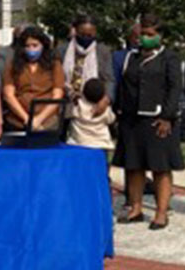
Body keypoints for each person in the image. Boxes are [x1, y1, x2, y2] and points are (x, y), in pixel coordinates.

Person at [113, 13, 183, 230]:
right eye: (142, 34)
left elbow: (174, 89)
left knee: (160, 168)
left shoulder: (169, 58)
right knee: (134, 166)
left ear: (160, 35)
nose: (145, 38)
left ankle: (161, 213)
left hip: (158, 121)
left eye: (150, 34)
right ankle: (136, 208)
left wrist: (167, 117)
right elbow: (123, 86)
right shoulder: (130, 58)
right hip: (132, 120)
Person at [3, 25, 65, 131]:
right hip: (18, 122)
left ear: (43, 45)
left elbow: (57, 95)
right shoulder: (13, 65)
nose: (31, 49)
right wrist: (27, 118)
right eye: (27, 46)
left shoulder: (54, 65)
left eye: (35, 45)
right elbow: (8, 95)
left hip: (47, 122)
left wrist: (38, 119)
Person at [59, 15, 114, 114]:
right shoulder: (62, 50)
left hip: (93, 106)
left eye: (90, 35)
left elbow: (109, 79)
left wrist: (106, 99)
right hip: (66, 105)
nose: (86, 38)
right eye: (82, 34)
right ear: (75, 31)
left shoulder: (102, 51)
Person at [67, 78, 116, 150]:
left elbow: (69, 114)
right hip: (101, 143)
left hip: (80, 142)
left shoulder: (78, 106)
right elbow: (111, 119)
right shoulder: (105, 110)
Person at [112, 23, 141, 94]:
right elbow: (114, 83)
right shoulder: (119, 56)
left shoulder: (157, 56)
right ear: (130, 37)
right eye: (136, 37)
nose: (139, 41)